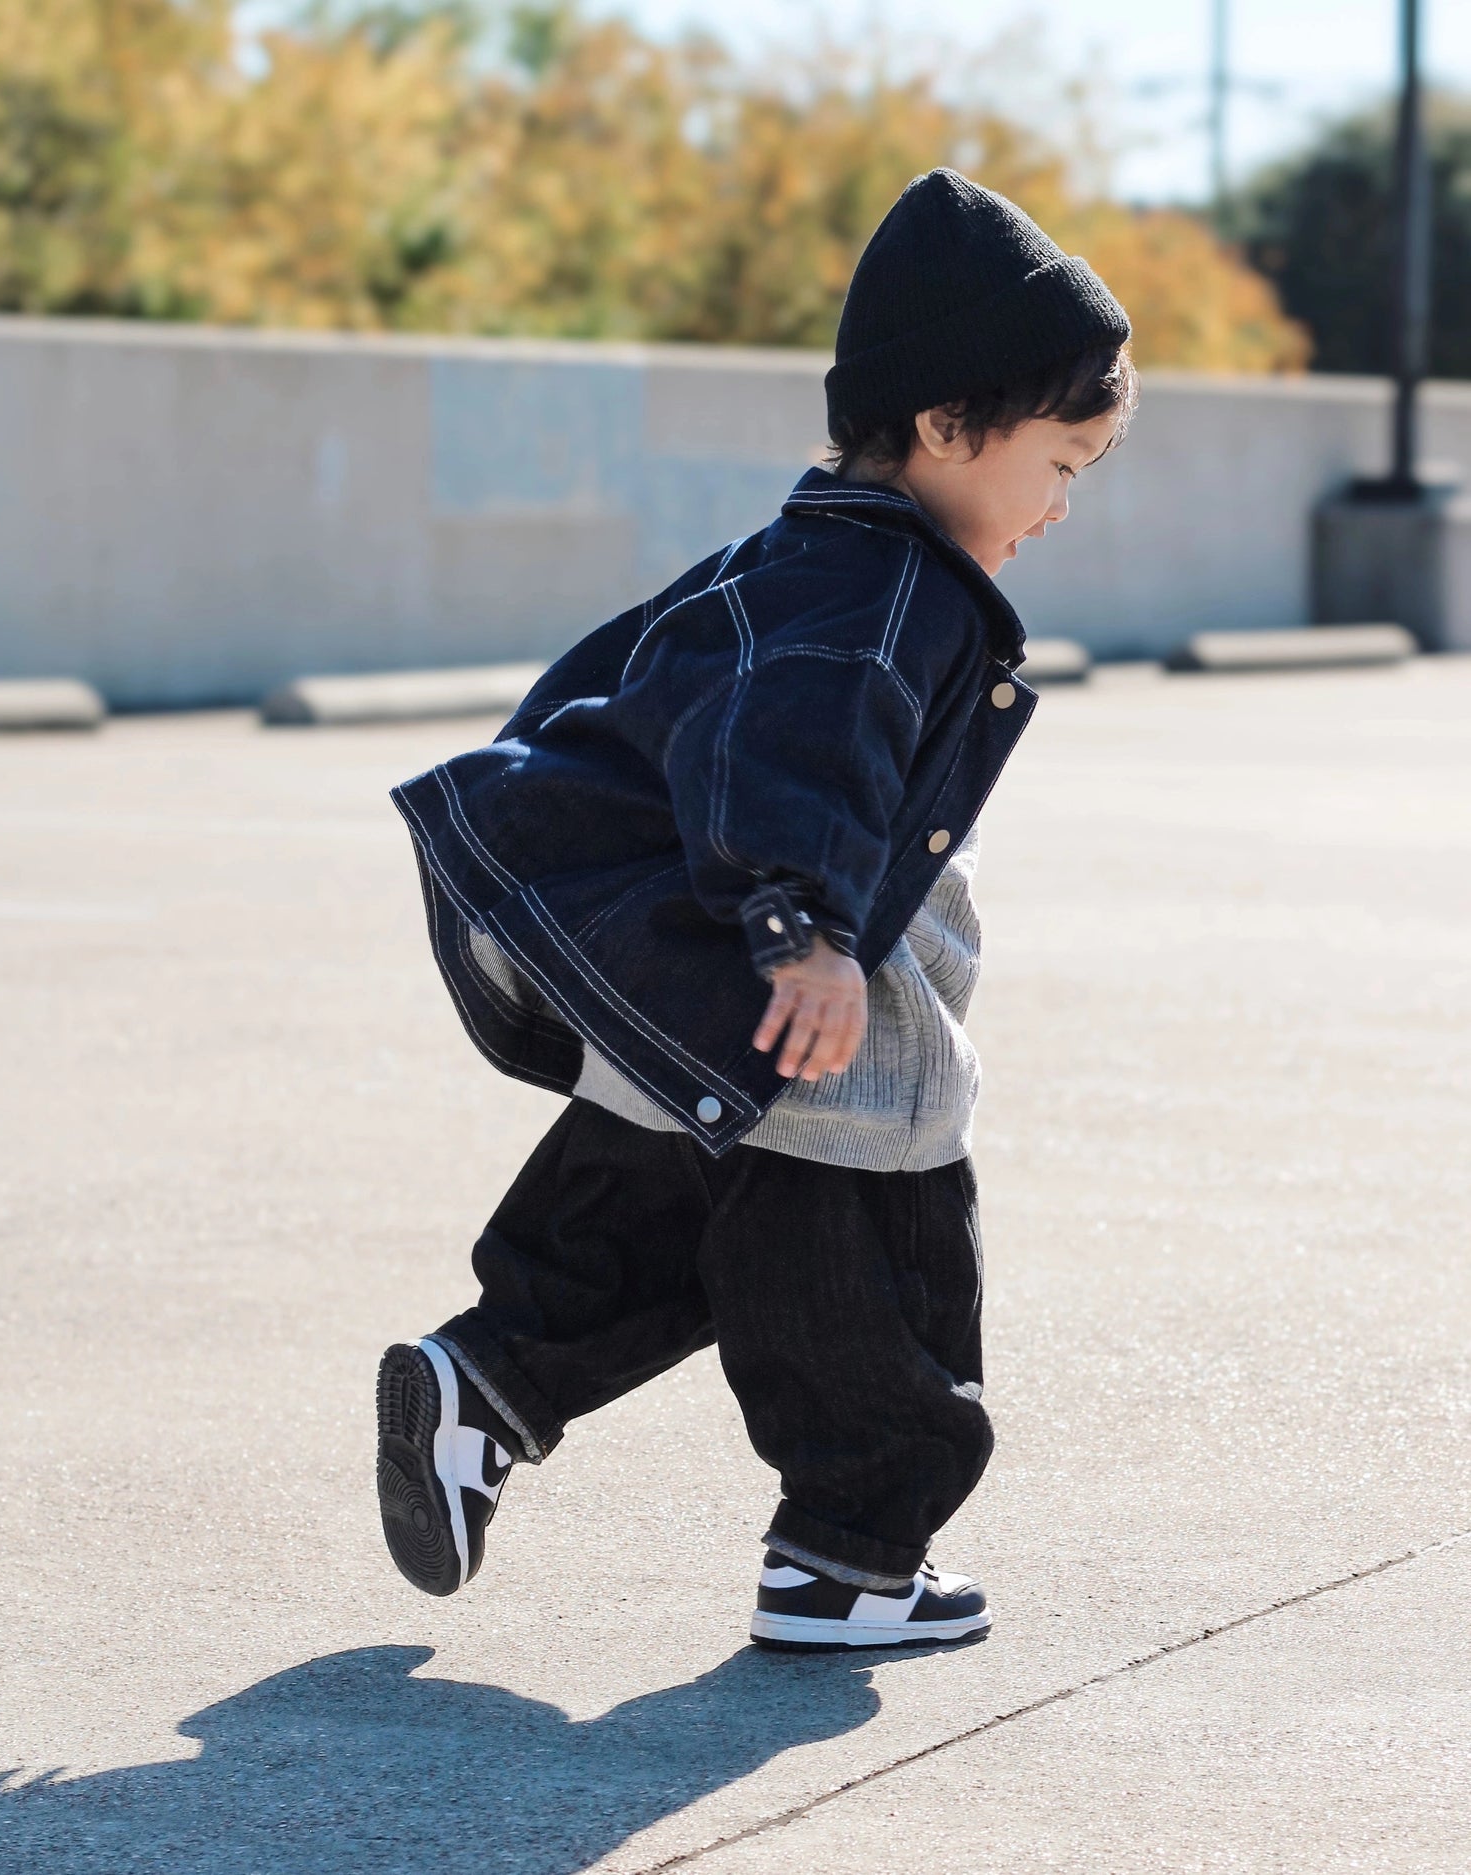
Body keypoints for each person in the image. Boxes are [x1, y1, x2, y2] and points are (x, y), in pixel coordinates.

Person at [375, 169, 1136, 1651]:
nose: (1061, 503)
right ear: (946, 426)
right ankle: (850, 1560)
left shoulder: (803, 555)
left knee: (669, 1189)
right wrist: (804, 927)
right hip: (811, 980)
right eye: (1061, 461)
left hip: (718, 971)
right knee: (885, 1251)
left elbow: (625, 703)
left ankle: (491, 1380)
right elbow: (780, 753)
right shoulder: (884, 595)